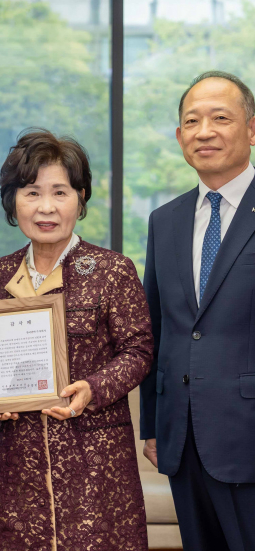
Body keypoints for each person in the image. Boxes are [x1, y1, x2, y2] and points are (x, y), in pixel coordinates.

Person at [0, 128, 153, 551]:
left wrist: (93, 387)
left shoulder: (113, 270)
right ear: (12, 201)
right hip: (21, 464)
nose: (46, 207)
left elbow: (140, 349)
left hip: (96, 460)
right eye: (32, 192)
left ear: (80, 198)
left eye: (60, 192)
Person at [140, 71, 255, 551]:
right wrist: (151, 425)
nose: (204, 131)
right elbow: (156, 329)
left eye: (220, 118)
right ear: (179, 136)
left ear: (252, 130)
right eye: (192, 120)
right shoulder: (164, 220)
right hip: (182, 437)